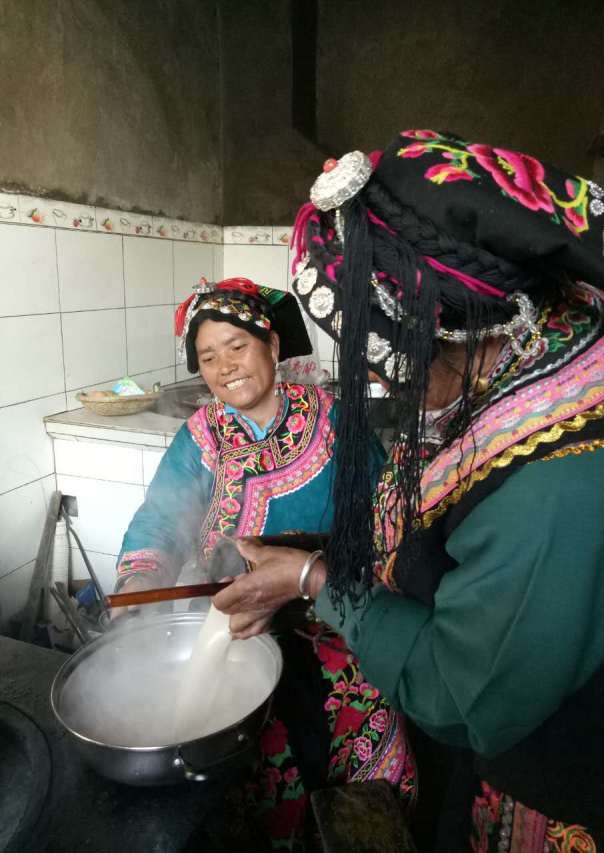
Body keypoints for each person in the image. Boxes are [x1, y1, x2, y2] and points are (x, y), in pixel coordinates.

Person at [215, 132, 604, 851]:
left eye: (379, 351)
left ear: (447, 328)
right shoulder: (552, 338)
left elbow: (459, 694)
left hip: (575, 796)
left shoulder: (561, 488)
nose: (374, 377)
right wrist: (317, 552)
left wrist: (315, 578)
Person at [115, 276, 415, 851]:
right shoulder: (200, 437)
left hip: (336, 622)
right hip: (237, 629)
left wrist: (314, 575)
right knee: (249, 783)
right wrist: (140, 578)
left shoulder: (334, 419)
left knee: (363, 801)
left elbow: (386, 522)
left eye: (237, 346)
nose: (225, 367)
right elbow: (160, 519)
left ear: (273, 346)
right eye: (208, 357)